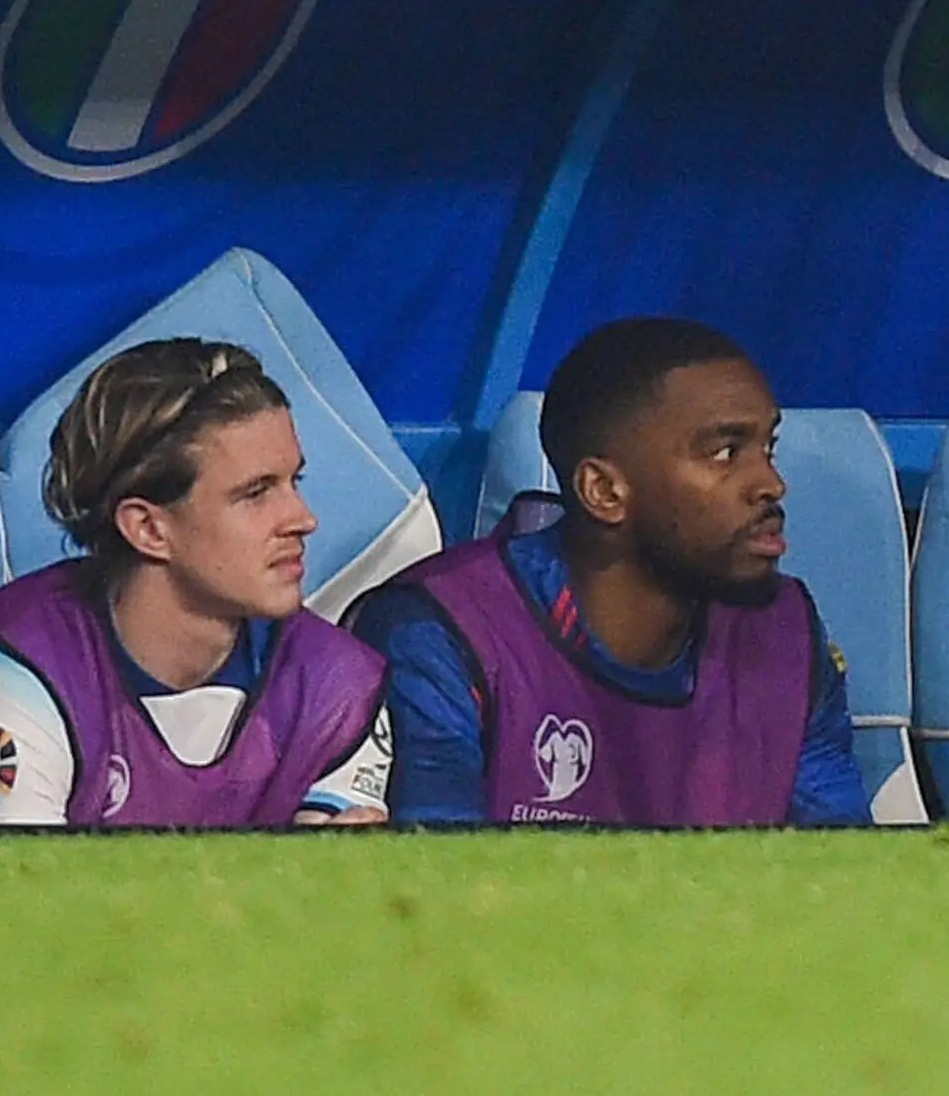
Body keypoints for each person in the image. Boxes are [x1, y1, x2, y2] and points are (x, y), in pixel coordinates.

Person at [351, 317, 862, 826]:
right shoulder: (442, 634)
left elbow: (846, 871)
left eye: (767, 449)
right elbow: (433, 879)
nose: (771, 483)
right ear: (604, 491)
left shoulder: (787, 634)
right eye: (725, 454)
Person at [0, 337, 389, 827]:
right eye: (256, 493)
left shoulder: (335, 683)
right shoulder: (4, 685)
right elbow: (30, 913)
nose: (302, 518)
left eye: (293, 482)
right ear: (148, 528)